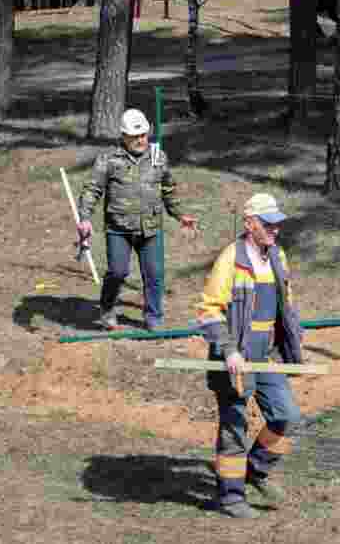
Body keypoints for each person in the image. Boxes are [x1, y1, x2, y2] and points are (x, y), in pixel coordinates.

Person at [194, 192, 304, 519]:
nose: (274, 230)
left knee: (286, 415)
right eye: (267, 224)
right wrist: (228, 350)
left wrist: (292, 335)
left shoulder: (278, 256)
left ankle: (255, 469)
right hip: (236, 354)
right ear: (249, 223)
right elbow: (208, 310)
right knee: (235, 425)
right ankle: (230, 497)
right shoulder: (231, 259)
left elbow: (287, 302)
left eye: (277, 224)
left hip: (265, 352)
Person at [76, 108, 198, 330]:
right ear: (123, 136)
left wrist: (181, 215)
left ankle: (154, 316)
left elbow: (168, 190)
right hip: (119, 228)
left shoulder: (158, 158)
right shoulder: (109, 159)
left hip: (150, 228)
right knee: (118, 272)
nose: (140, 140)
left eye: (143, 135)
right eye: (135, 136)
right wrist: (85, 217)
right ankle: (107, 307)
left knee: (155, 274)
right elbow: (92, 189)